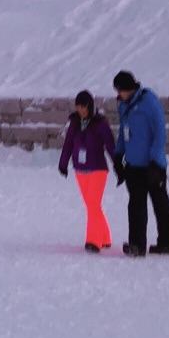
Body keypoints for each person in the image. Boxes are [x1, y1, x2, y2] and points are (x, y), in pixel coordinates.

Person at [112, 69, 169, 256]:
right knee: (136, 205)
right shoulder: (123, 106)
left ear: (128, 88)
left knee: (160, 203)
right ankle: (136, 245)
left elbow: (160, 134)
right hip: (133, 164)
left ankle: (167, 243)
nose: (118, 94)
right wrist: (118, 155)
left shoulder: (150, 103)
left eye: (119, 90)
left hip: (152, 166)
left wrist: (156, 162)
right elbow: (123, 131)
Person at [56, 89, 116, 253]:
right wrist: (63, 163)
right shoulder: (74, 123)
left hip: (97, 169)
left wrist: (119, 167)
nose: (80, 109)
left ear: (90, 106)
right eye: (78, 106)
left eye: (83, 106)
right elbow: (68, 144)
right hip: (80, 169)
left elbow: (111, 146)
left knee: (93, 204)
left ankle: (93, 241)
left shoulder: (101, 124)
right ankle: (105, 237)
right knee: (91, 205)